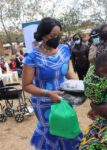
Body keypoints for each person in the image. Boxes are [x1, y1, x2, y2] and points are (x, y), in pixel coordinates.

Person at [22, 17, 82, 150]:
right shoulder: (32, 57)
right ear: (43, 35)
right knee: (53, 130)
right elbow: (26, 85)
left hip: (64, 98)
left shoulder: (64, 50)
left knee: (67, 127)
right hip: (44, 102)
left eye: (58, 35)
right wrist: (48, 93)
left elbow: (69, 72)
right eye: (52, 35)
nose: (56, 38)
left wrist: (78, 86)